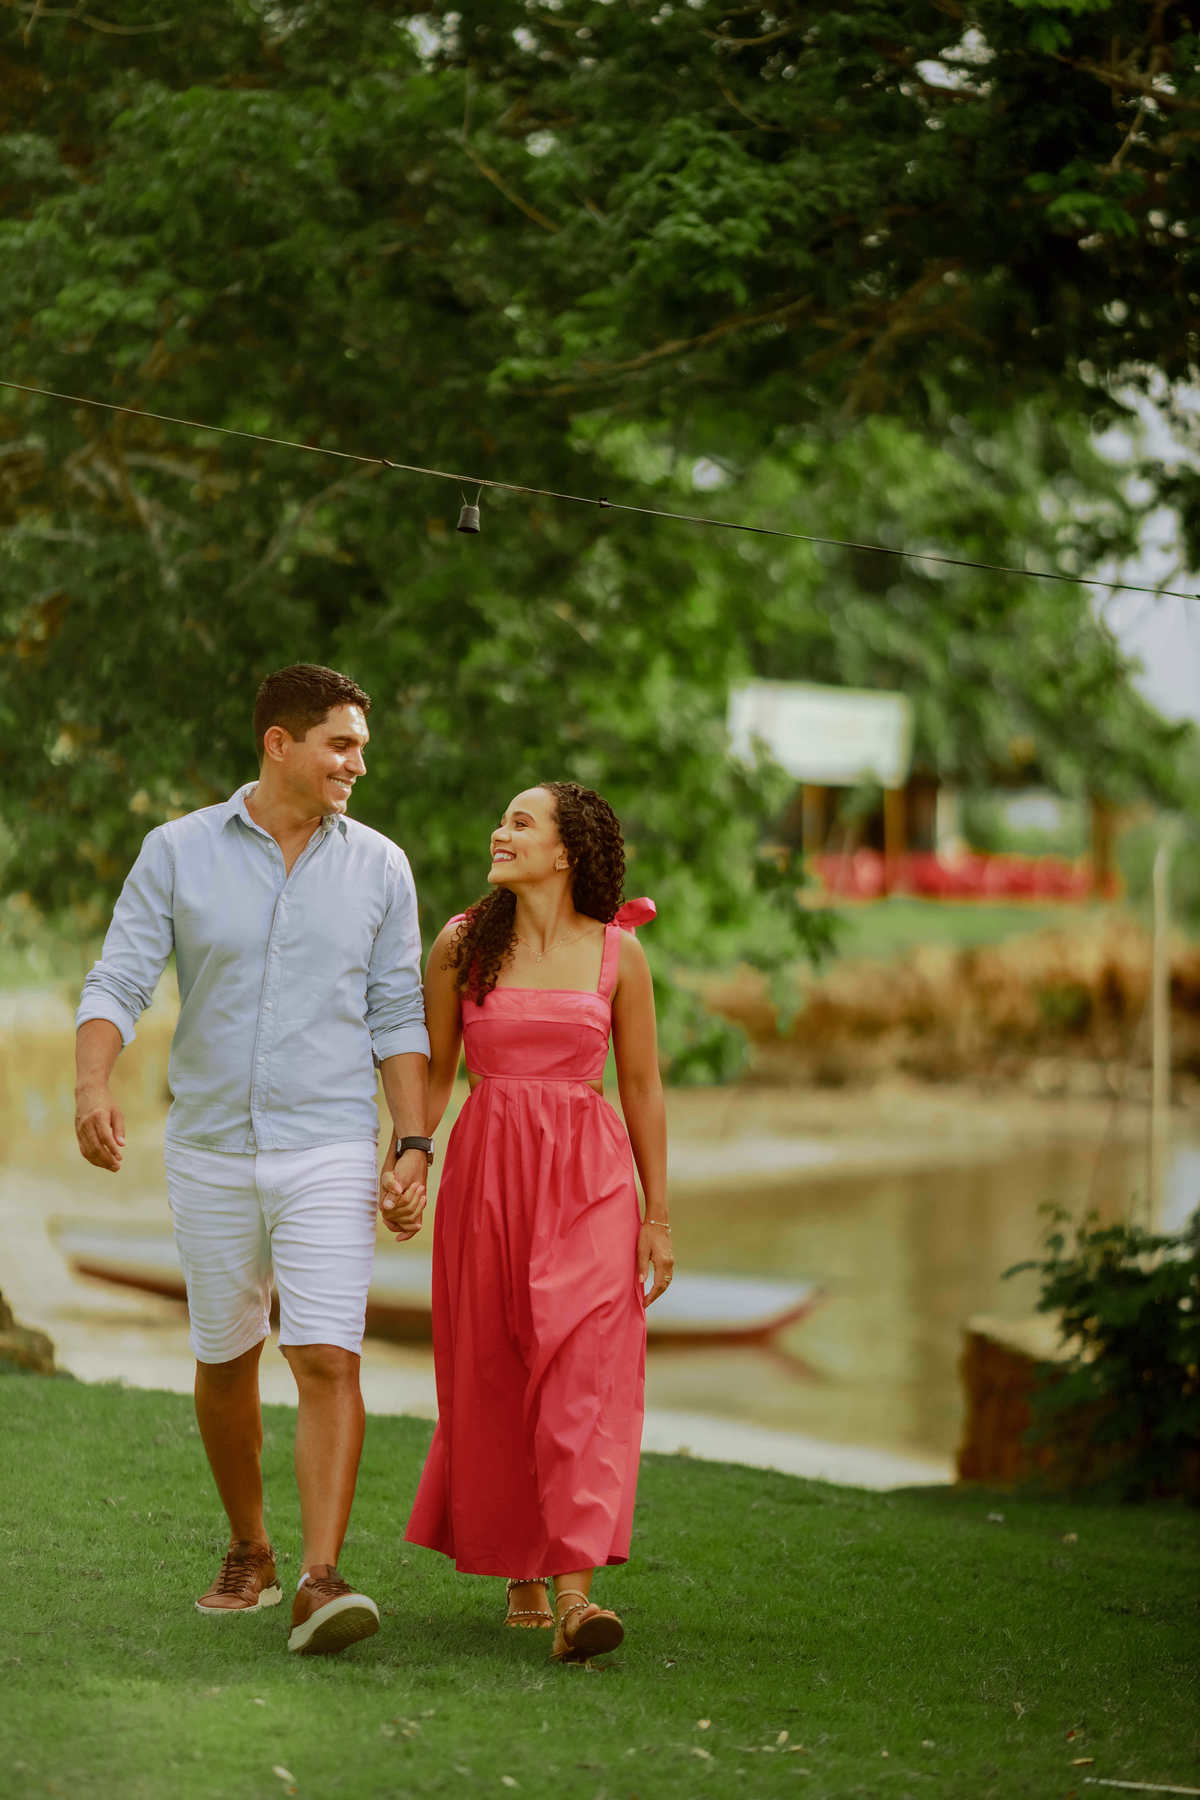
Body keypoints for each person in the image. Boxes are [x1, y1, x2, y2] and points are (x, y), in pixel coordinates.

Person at [74, 663, 431, 1656]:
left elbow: (397, 1009)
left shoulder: (381, 868)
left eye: (360, 745)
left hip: (327, 1146)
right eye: (343, 744)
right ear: (281, 743)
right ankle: (251, 1547)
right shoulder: (178, 851)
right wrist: (90, 1085)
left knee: (325, 1350)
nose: (359, 762)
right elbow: (120, 975)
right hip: (212, 1148)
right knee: (227, 1354)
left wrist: (411, 1139)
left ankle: (321, 1577)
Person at [380, 780, 672, 1663]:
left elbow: (645, 1087)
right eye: (502, 818)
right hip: (491, 1172)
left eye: (520, 822)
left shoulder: (620, 954)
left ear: (566, 851)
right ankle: (520, 1565)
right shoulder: (462, 946)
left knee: (585, 1364)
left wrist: (659, 1214)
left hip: (589, 1177)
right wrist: (410, 1155)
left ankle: (579, 1593)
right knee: (499, 1362)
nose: (499, 832)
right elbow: (431, 1072)